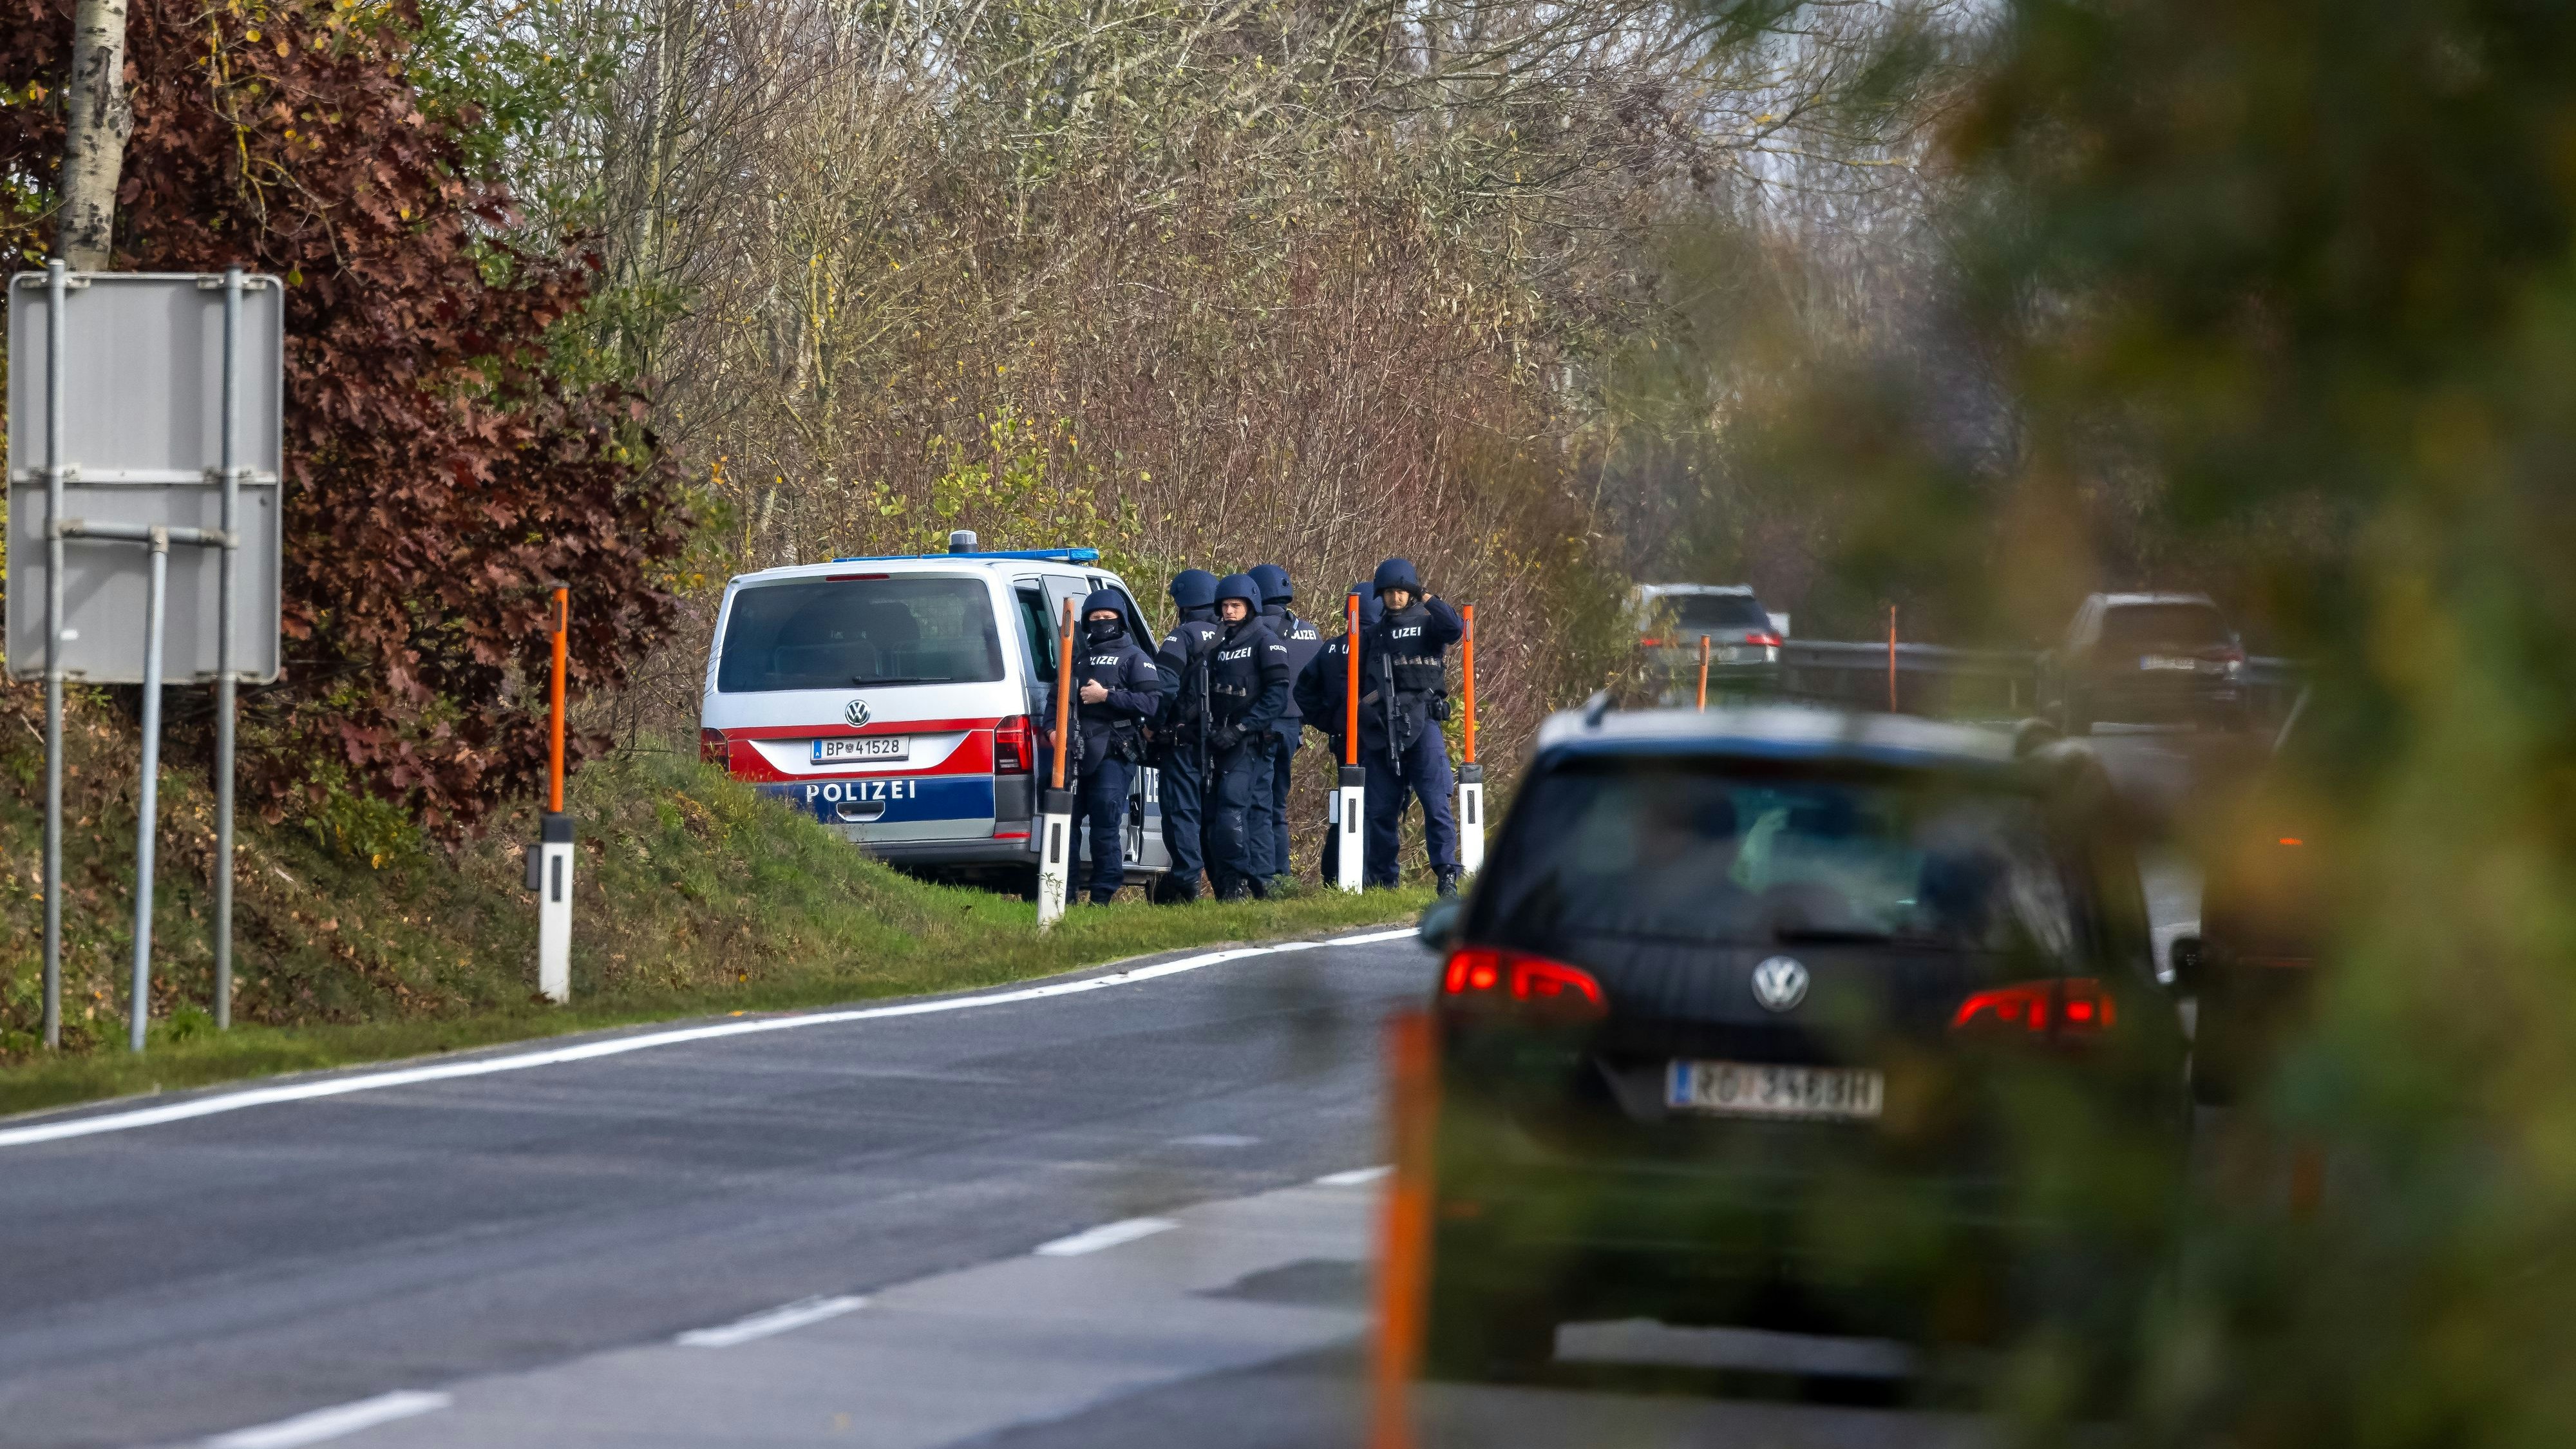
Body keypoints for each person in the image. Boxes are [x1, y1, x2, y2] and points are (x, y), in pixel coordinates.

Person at [1358, 558, 1464, 896]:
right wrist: (1364, 714)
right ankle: (1383, 882)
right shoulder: (1373, 634)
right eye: (1389, 592)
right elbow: (1358, 683)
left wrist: (1426, 595)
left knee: (1436, 802)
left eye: (1402, 591)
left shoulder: (1428, 622)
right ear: (1381, 595)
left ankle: (1446, 874)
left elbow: (1455, 629)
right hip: (1383, 728)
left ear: (1412, 593)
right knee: (1380, 809)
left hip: (1424, 721)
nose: (1396, 597)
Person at [1065, 589, 1160, 905]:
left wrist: (1107, 696)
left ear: (1120, 620)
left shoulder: (1136, 658)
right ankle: (1064, 894)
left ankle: (1102, 896)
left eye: (1108, 617)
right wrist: (1052, 731)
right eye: (1096, 618)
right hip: (1076, 751)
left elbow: (1151, 702)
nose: (1102, 622)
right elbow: (1056, 700)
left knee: (1105, 821)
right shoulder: (1079, 658)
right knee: (1066, 822)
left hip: (1114, 751)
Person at [1202, 573, 1292, 900]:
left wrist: (1241, 729)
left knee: (1233, 808)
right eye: (1225, 606)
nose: (1229, 611)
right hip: (1219, 742)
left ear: (1250, 607)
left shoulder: (1266, 641)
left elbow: (1276, 697)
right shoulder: (1219, 644)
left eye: (1236, 606)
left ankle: (1240, 881)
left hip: (1250, 742)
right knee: (1234, 813)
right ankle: (1255, 883)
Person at [1296, 583, 1379, 884]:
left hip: (1345, 740)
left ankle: (1334, 874)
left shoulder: (1330, 648)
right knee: (1373, 807)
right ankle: (1366, 877)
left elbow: (1303, 691)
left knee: (1348, 804)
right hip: (1377, 740)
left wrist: (1331, 722)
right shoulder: (1380, 647)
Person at [1249, 564, 1324, 893]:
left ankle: (1264, 877)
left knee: (1256, 804)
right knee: (1278, 805)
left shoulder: (1250, 631)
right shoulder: (1311, 633)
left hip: (1259, 728)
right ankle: (1282, 875)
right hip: (1294, 729)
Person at [1152, 569, 1224, 901]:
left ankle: (1187, 882)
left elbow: (1164, 687)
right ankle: (1228, 887)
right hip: (1227, 744)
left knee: (1182, 811)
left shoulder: (1182, 636)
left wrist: (1152, 725)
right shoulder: (1236, 635)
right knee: (1220, 814)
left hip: (1184, 743)